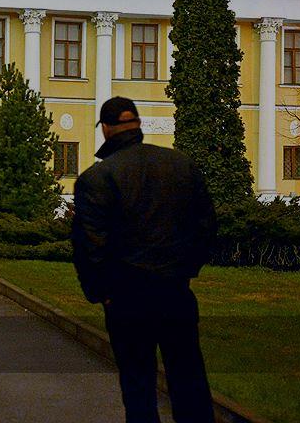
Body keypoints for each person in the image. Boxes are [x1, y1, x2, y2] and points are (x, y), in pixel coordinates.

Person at [72, 97, 217, 423]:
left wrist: (101, 293)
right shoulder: (180, 165)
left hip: (126, 298)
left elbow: (90, 245)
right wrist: (185, 270)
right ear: (137, 125)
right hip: (175, 291)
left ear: (105, 129)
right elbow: (206, 227)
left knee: (138, 389)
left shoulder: (97, 178)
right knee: (189, 380)